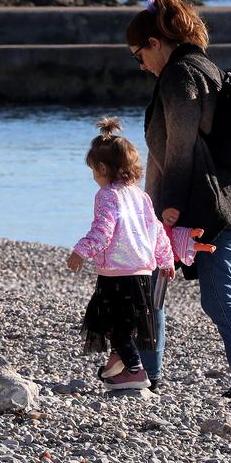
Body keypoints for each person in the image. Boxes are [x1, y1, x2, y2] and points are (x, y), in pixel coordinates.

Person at [128, 0, 231, 402]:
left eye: (138, 55)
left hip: (200, 207)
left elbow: (180, 148)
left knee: (214, 296)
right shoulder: (205, 67)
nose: (140, 65)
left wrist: (167, 208)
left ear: (155, 43)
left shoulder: (179, 76)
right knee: (160, 285)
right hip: (220, 200)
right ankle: (147, 372)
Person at [66, 117, 174, 392]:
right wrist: (166, 260)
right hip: (142, 273)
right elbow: (157, 231)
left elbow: (103, 229)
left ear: (102, 168)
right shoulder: (140, 196)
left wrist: (81, 251)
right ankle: (119, 361)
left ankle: (136, 371)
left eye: (93, 170)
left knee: (114, 324)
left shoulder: (106, 195)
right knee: (126, 322)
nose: (94, 176)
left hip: (117, 272)